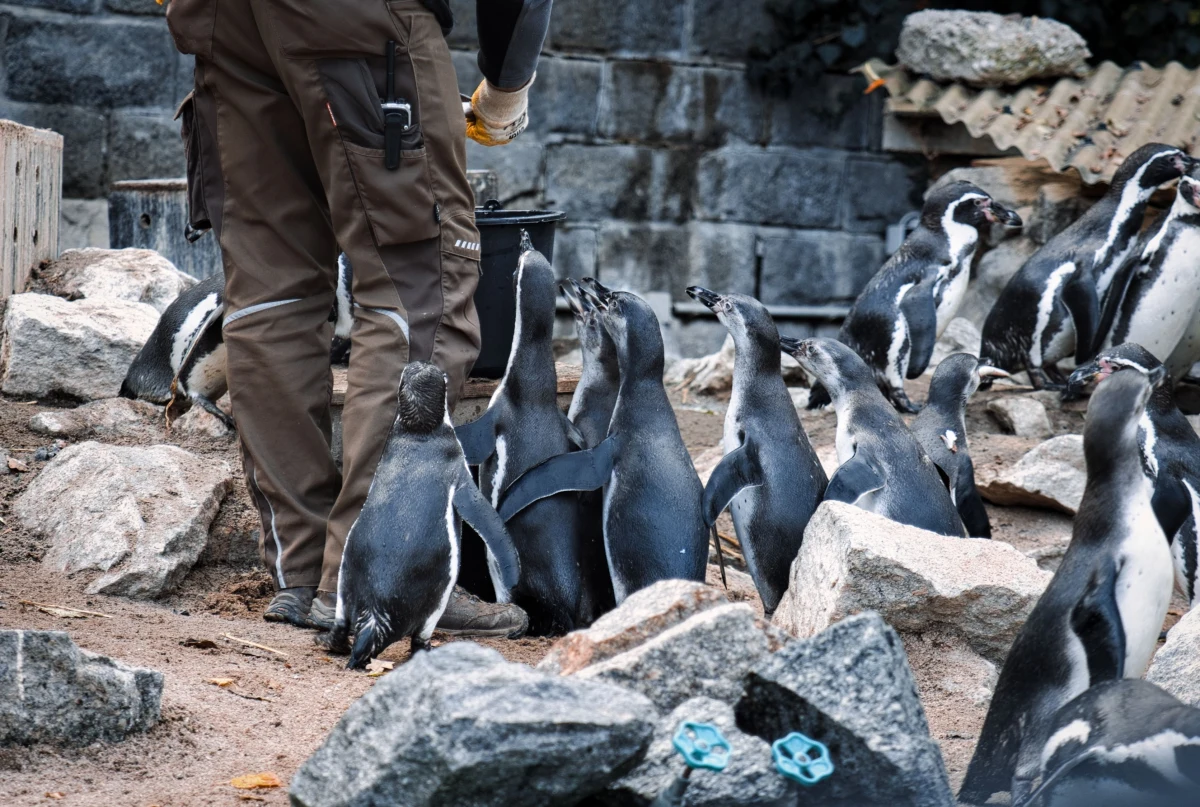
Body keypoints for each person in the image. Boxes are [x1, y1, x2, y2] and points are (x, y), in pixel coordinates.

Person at [164, 0, 552, 634]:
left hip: (223, 21)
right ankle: (372, 577)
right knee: (420, 280)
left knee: (272, 294)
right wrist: (507, 85)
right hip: (357, 21)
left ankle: (303, 567)